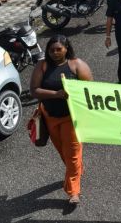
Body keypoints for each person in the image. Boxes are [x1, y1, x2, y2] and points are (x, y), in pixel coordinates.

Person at [29, 36, 92, 205]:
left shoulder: (77, 65)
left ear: (66, 48)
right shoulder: (42, 66)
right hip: (49, 117)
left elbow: (90, 90)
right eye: (51, 50)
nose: (55, 53)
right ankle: (77, 170)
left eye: (59, 49)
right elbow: (34, 90)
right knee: (64, 152)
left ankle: (73, 192)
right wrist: (56, 94)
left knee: (72, 154)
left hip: (71, 119)